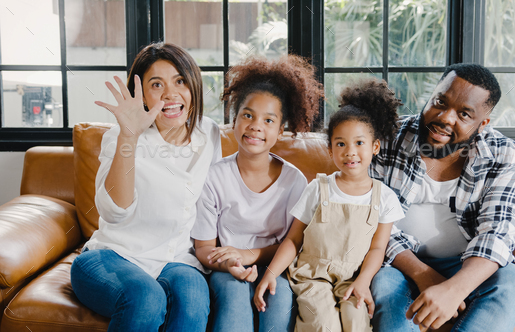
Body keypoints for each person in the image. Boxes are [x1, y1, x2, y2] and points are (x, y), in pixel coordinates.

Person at [369, 63, 515, 332]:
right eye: (439, 102)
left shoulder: (506, 156)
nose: (445, 117)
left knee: (511, 282)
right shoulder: (388, 139)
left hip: (466, 264)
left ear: (483, 124)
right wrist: (423, 275)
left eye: (464, 114)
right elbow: (371, 219)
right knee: (385, 287)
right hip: (400, 264)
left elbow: (497, 234)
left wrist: (455, 289)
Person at [70, 42, 220, 332]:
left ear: (193, 86)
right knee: (146, 298)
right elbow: (115, 212)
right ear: (140, 95)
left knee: (193, 298)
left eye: (179, 81)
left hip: (177, 259)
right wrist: (129, 136)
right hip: (113, 255)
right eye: (156, 84)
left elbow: (216, 200)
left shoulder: (209, 132)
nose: (170, 94)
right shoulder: (120, 137)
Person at [254, 78, 406, 332]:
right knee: (323, 325)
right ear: (330, 149)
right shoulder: (318, 188)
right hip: (313, 276)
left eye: (359, 143)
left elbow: (379, 248)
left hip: (354, 278)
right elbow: (293, 240)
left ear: (375, 147)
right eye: (341, 144)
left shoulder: (385, 197)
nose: (350, 152)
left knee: (357, 322)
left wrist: (364, 281)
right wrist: (270, 273)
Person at [192, 55, 324, 332]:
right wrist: (230, 262)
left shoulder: (294, 181)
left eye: (268, 120)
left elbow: (296, 243)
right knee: (232, 313)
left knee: (277, 316)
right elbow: (203, 248)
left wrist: (250, 254)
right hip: (226, 269)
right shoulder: (213, 177)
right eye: (248, 115)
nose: (256, 126)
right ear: (235, 119)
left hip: (277, 266)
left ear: (280, 130)